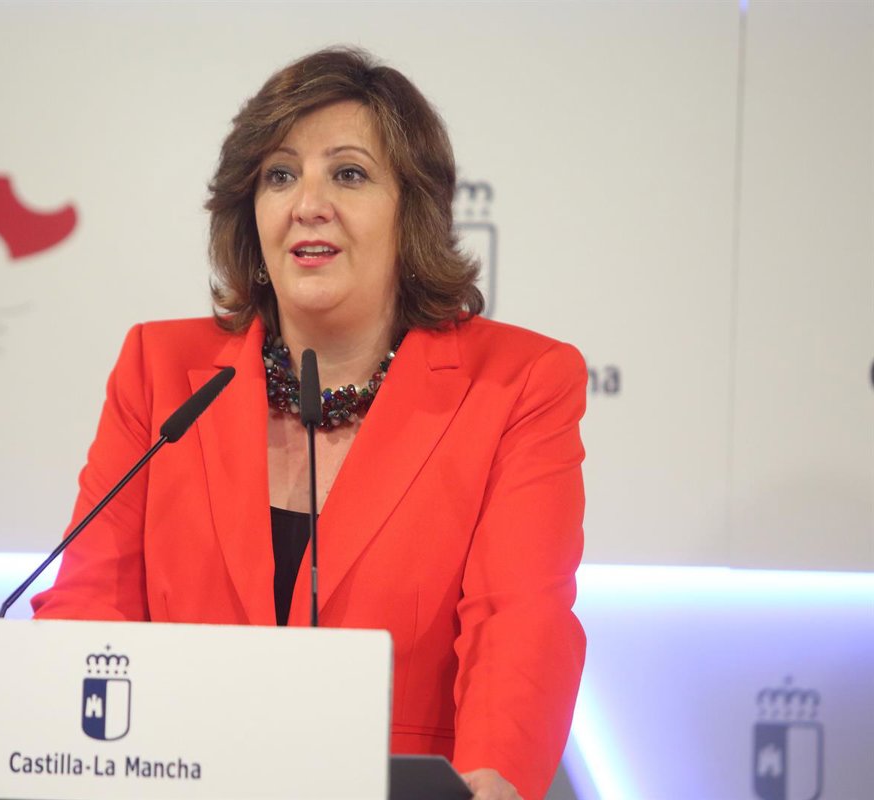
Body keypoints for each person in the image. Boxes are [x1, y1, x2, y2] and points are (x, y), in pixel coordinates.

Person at [32, 47, 586, 800]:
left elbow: (518, 618)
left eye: (349, 174)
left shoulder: (518, 383)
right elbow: (91, 599)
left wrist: (495, 778)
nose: (308, 204)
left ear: (413, 213)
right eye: (280, 175)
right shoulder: (159, 370)